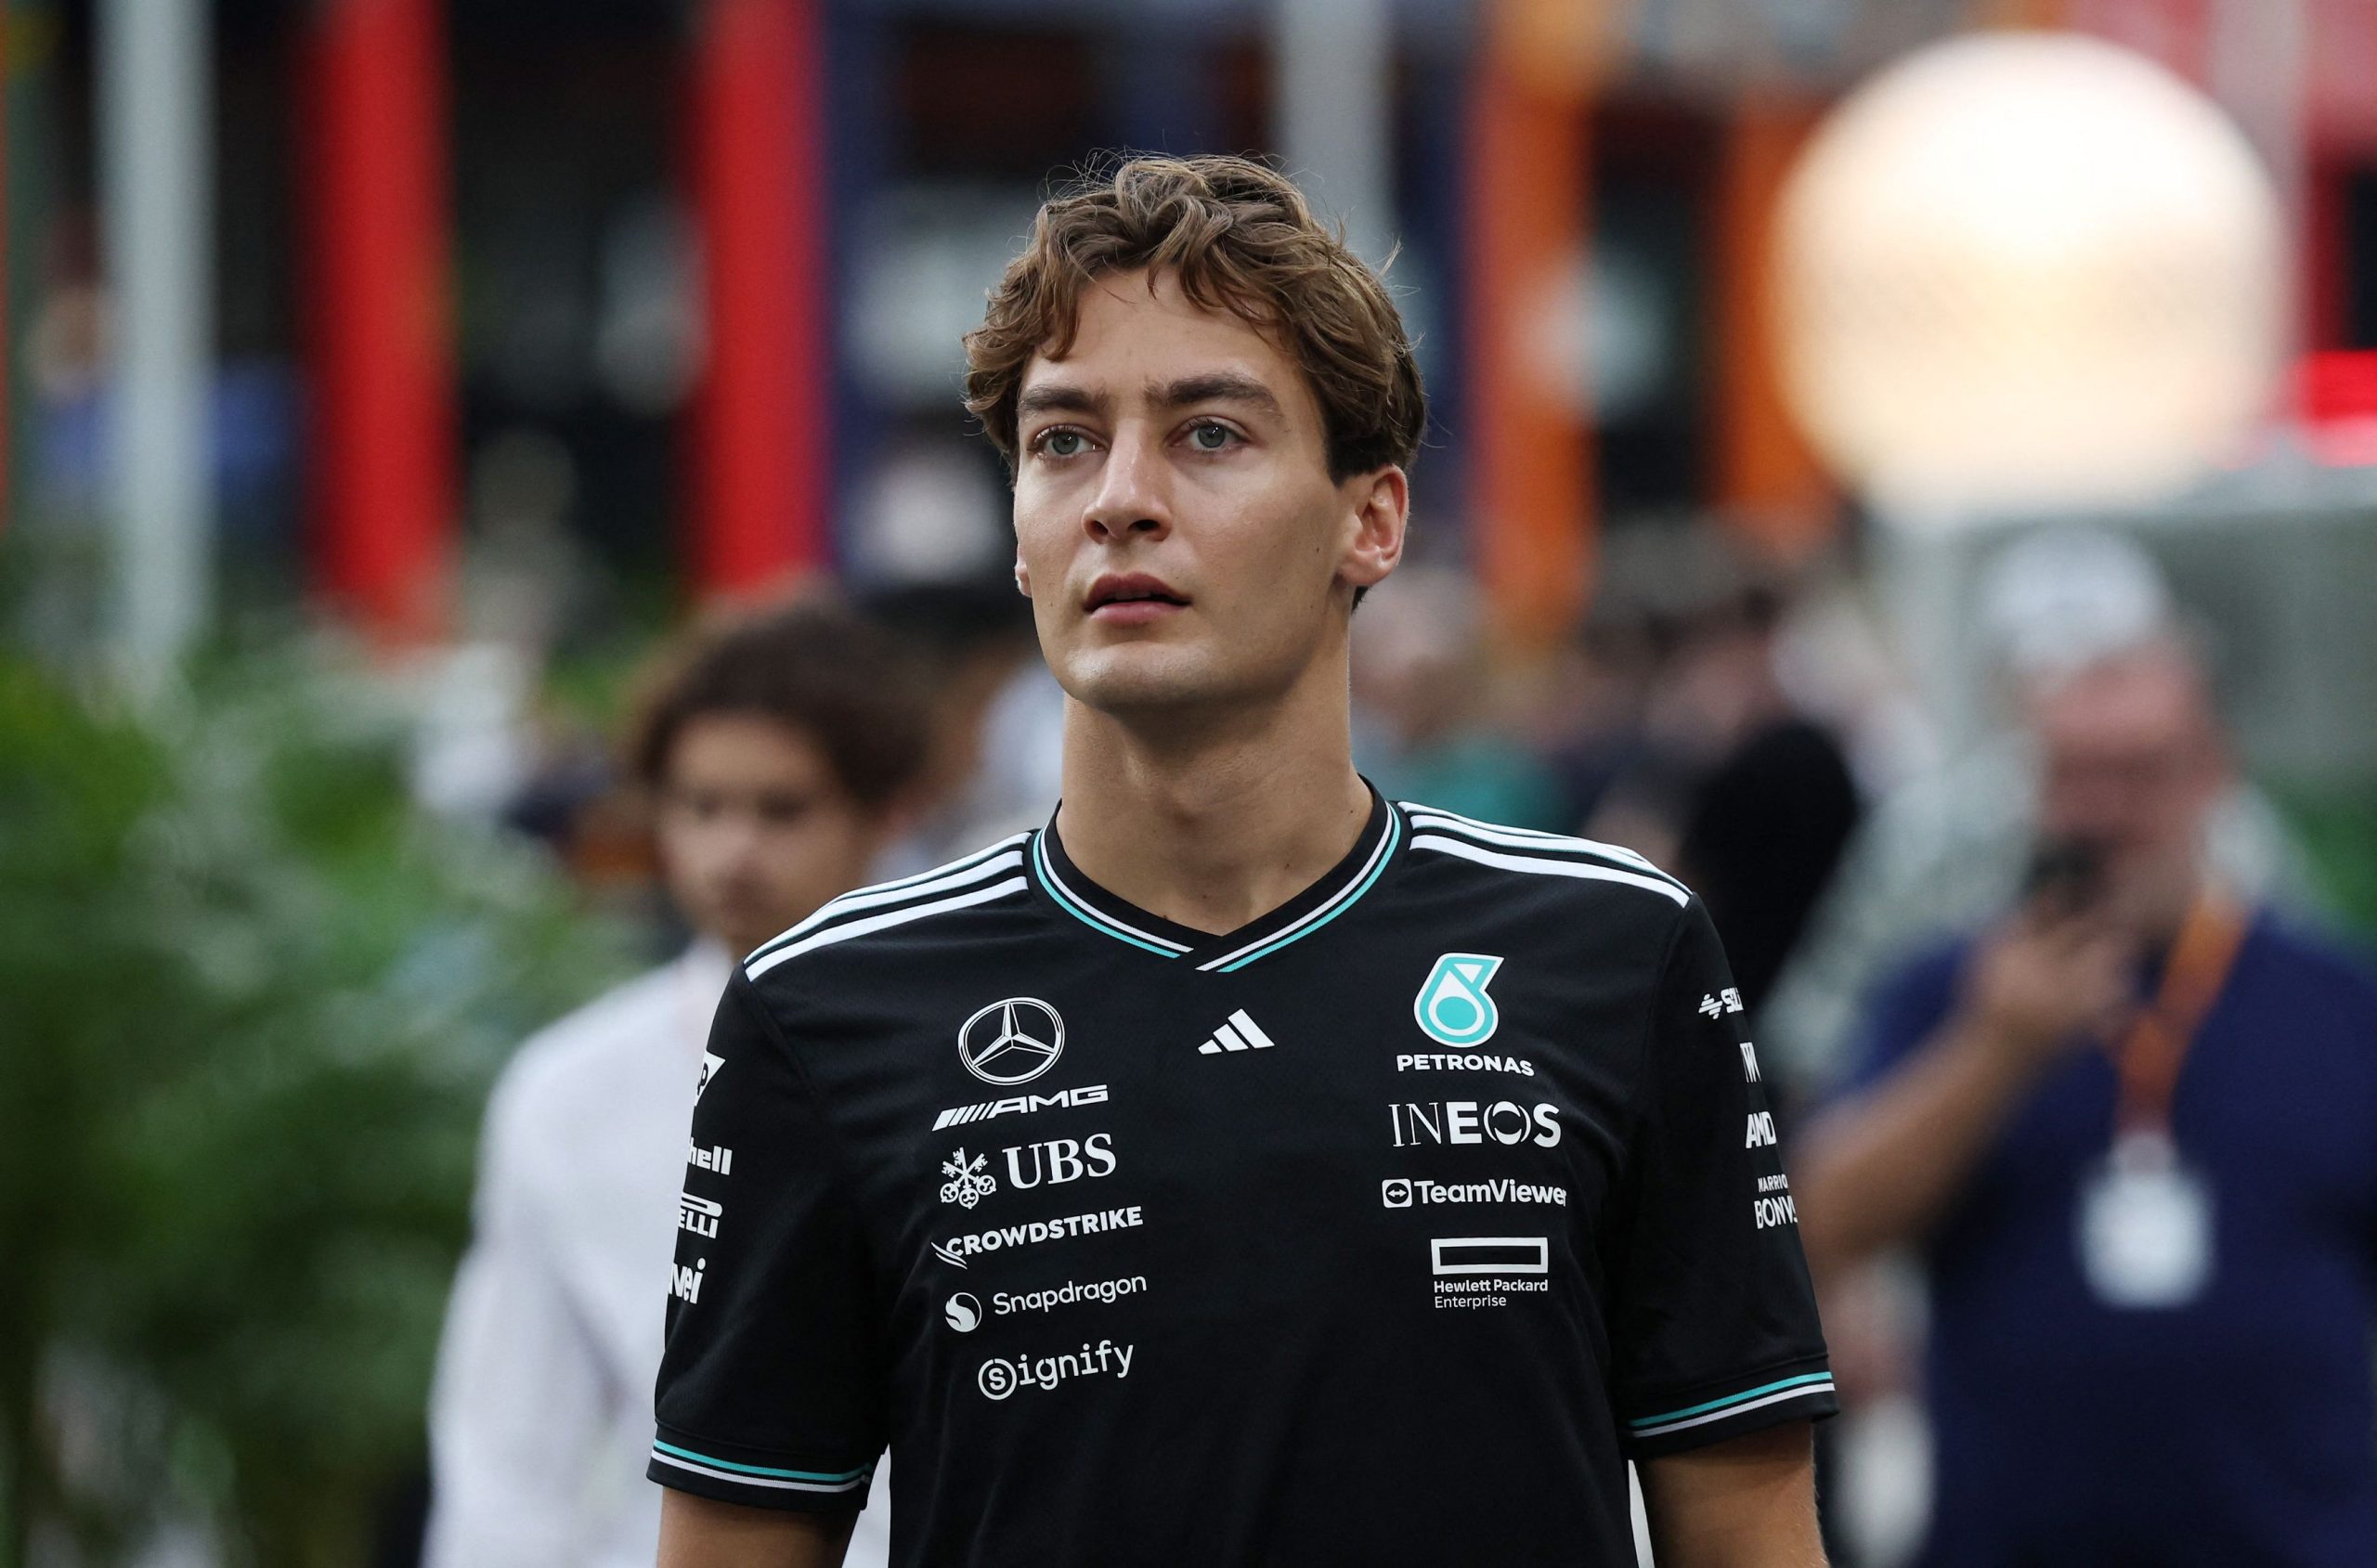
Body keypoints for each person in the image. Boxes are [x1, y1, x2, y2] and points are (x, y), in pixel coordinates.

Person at [649, 153, 1834, 1568]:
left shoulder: (1619, 951)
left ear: (1371, 520)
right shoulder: (825, 1005)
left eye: (1209, 433)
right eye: (1063, 440)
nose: (1120, 499)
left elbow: (1750, 1524)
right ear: (1020, 533)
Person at [1795, 634, 2377, 1566]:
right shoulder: (1954, 992)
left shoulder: (2335, 1001)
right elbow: (1821, 1217)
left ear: (2212, 775)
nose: (2102, 812)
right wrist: (1995, 1053)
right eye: (2073, 775)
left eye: (2138, 772)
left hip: (2298, 1540)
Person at [422, 600, 929, 1568]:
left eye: (781, 809)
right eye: (700, 807)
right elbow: (510, 1454)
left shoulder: (992, 1052)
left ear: (886, 815)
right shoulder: (567, 1093)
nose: (732, 853)